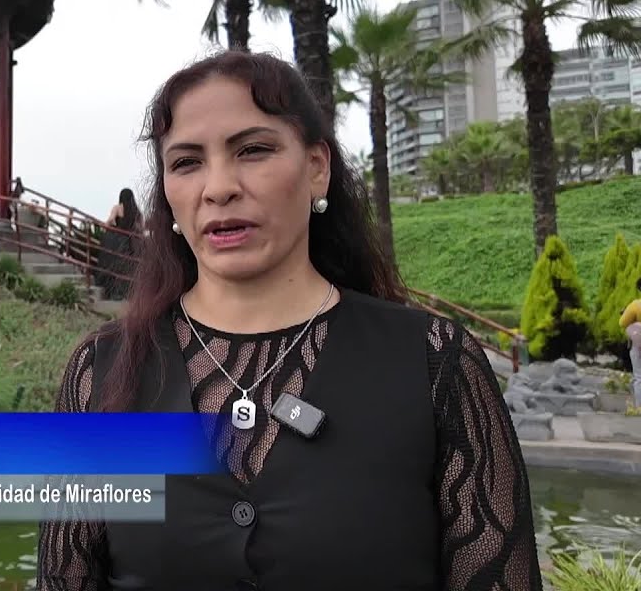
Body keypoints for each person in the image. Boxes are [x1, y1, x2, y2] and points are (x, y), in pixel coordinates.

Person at [36, 51, 540, 590]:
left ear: (317, 168)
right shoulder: (104, 374)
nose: (219, 187)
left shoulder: (433, 361)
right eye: (186, 162)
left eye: (253, 150)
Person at [97, 188, 142, 300]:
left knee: (112, 265)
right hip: (132, 243)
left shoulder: (117, 208)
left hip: (117, 242)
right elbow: (141, 228)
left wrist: (104, 226)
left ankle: (112, 293)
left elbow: (111, 220)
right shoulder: (136, 211)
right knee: (129, 268)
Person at [619, 277, 641, 406]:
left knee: (639, 377)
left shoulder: (636, 305)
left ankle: (639, 408)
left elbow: (622, 323)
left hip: (638, 345)